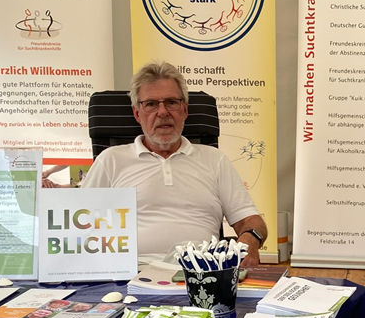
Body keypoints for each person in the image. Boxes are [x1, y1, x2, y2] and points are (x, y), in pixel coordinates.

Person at [82, 61, 267, 267]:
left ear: (185, 110)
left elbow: (251, 221)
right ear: (137, 114)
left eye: (171, 102)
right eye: (151, 104)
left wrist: (251, 239)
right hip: (128, 272)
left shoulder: (215, 160)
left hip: (200, 272)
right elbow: (78, 226)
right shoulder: (110, 160)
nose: (162, 112)